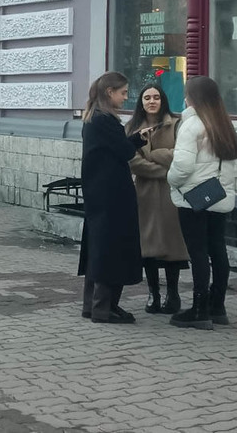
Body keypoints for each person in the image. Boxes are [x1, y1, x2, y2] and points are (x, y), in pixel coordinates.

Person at [167, 76, 237, 330]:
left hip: (194, 197)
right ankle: (217, 306)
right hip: (219, 195)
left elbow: (183, 165)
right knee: (217, 249)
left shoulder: (192, 124)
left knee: (197, 251)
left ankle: (199, 310)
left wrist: (171, 179)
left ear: (193, 98)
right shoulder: (224, 123)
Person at [78, 71, 150, 324]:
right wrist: (135, 142)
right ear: (110, 92)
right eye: (122, 92)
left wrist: (134, 139)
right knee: (112, 248)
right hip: (113, 193)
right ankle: (104, 307)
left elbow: (112, 148)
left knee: (99, 246)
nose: (125, 97)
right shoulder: (106, 120)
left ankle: (92, 305)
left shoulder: (93, 118)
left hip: (98, 191)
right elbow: (123, 152)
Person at [125, 84, 189, 314]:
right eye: (147, 98)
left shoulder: (177, 123)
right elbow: (132, 161)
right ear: (141, 102)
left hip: (172, 192)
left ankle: (173, 294)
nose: (152, 101)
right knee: (148, 245)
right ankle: (153, 293)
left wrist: (153, 154)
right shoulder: (131, 127)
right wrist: (162, 169)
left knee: (172, 244)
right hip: (144, 192)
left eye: (156, 97)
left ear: (163, 100)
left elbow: (180, 155)